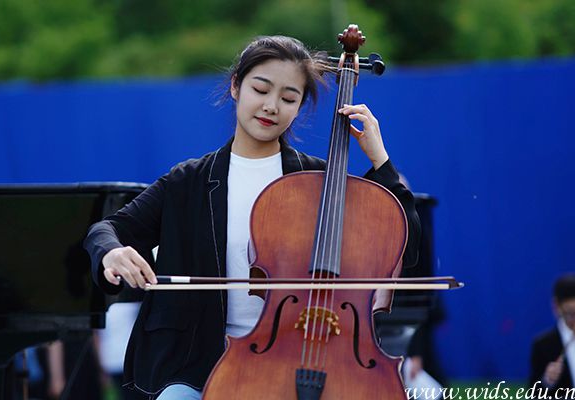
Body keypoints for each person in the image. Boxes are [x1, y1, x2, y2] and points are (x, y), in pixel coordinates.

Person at [84, 35, 421, 400]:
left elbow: (404, 246)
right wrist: (111, 252)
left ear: (299, 108)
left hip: (301, 359)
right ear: (236, 87)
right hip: (199, 367)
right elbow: (108, 229)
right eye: (260, 90)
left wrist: (380, 160)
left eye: (288, 99)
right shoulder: (188, 181)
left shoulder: (320, 182)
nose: (271, 106)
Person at [529, 274, 575, 397]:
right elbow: (533, 394)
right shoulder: (543, 345)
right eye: (571, 313)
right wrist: (547, 381)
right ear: (557, 307)